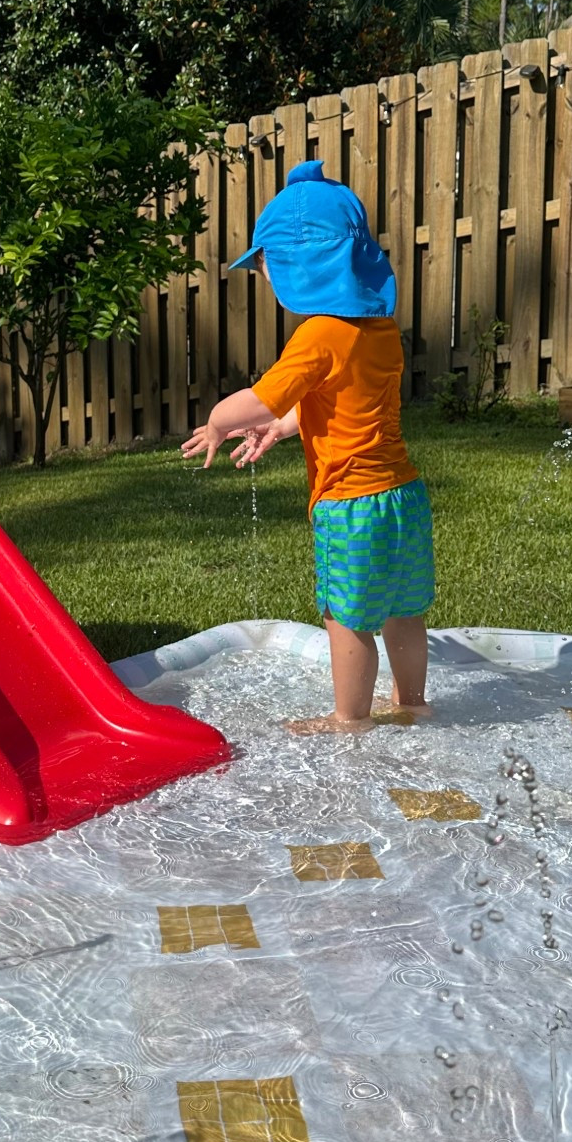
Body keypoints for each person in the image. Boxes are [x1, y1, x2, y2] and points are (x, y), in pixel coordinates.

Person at [181, 160, 433, 734]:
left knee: (346, 619)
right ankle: (414, 701)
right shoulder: (380, 329)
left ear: (302, 263)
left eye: (268, 264)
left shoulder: (318, 333)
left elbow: (263, 398)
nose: (266, 276)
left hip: (350, 506)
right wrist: (290, 426)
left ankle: (350, 719)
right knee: (403, 611)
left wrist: (221, 421)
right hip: (404, 498)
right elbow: (347, 400)